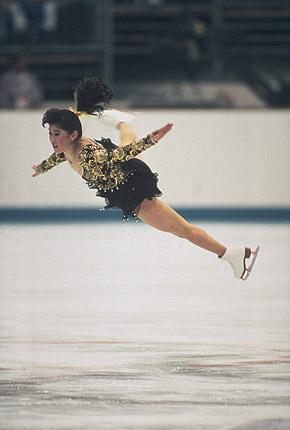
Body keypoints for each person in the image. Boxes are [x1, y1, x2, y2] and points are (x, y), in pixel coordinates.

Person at [32, 77, 259, 281]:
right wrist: (42, 167)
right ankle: (123, 123)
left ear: (73, 135)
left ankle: (232, 255)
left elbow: (122, 155)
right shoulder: (67, 147)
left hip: (133, 190)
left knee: (182, 230)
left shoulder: (89, 155)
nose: (52, 139)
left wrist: (153, 138)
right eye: (50, 133)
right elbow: (59, 156)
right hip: (120, 178)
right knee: (126, 141)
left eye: (56, 133)